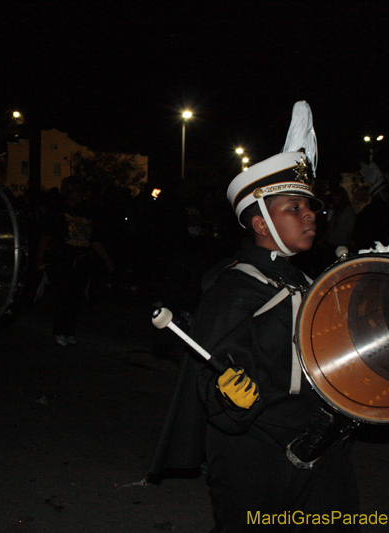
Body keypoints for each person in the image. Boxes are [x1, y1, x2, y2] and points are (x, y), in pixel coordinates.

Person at [149, 102, 359, 532]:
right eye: (294, 208)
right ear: (262, 225)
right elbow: (211, 378)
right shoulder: (232, 289)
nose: (310, 215)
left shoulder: (311, 283)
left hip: (323, 442)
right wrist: (227, 396)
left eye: (310, 208)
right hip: (255, 450)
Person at [36, 176, 114, 346]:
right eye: (76, 191)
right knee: (63, 297)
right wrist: (40, 258)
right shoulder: (57, 211)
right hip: (63, 260)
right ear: (68, 192)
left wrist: (107, 259)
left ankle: (70, 331)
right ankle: (59, 331)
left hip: (82, 260)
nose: (80, 195)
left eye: (81, 191)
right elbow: (45, 236)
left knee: (76, 298)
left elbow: (94, 239)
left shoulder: (87, 212)